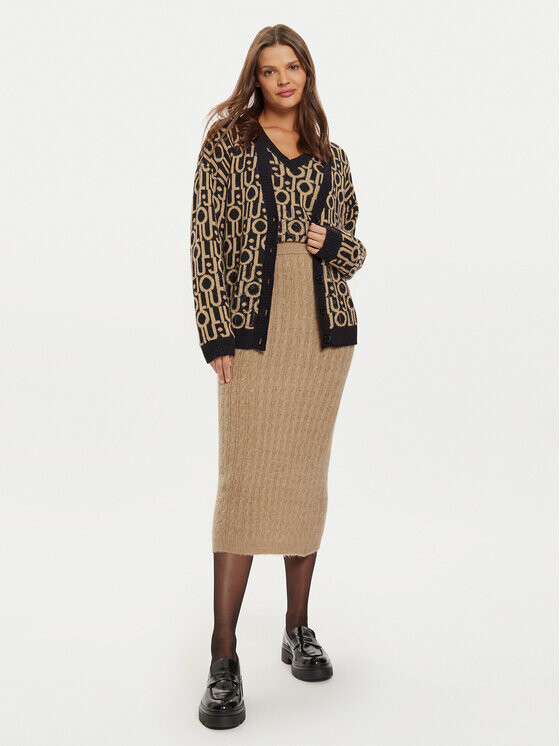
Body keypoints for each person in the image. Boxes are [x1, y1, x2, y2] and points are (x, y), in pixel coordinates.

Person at [190, 23, 367, 729]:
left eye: (293, 67)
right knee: (242, 485)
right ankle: (223, 656)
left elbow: (354, 253)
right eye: (270, 70)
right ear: (255, 78)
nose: (283, 79)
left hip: (323, 340)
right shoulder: (227, 146)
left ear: (307, 74)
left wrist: (333, 241)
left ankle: (297, 628)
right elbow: (205, 239)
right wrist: (216, 333)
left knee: (302, 480)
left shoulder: (331, 157)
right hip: (253, 335)